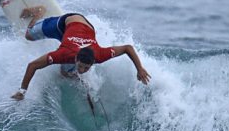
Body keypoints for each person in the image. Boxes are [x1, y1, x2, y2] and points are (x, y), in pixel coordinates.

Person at [11, 6, 151, 100]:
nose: (83, 70)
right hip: (65, 23)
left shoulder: (100, 55)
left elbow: (128, 48)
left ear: (93, 62)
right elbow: (32, 65)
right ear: (76, 58)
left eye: (86, 68)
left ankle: (75, 79)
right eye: (81, 66)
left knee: (65, 73)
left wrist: (139, 68)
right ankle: (38, 13)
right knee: (28, 35)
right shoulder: (64, 54)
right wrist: (22, 91)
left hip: (86, 25)